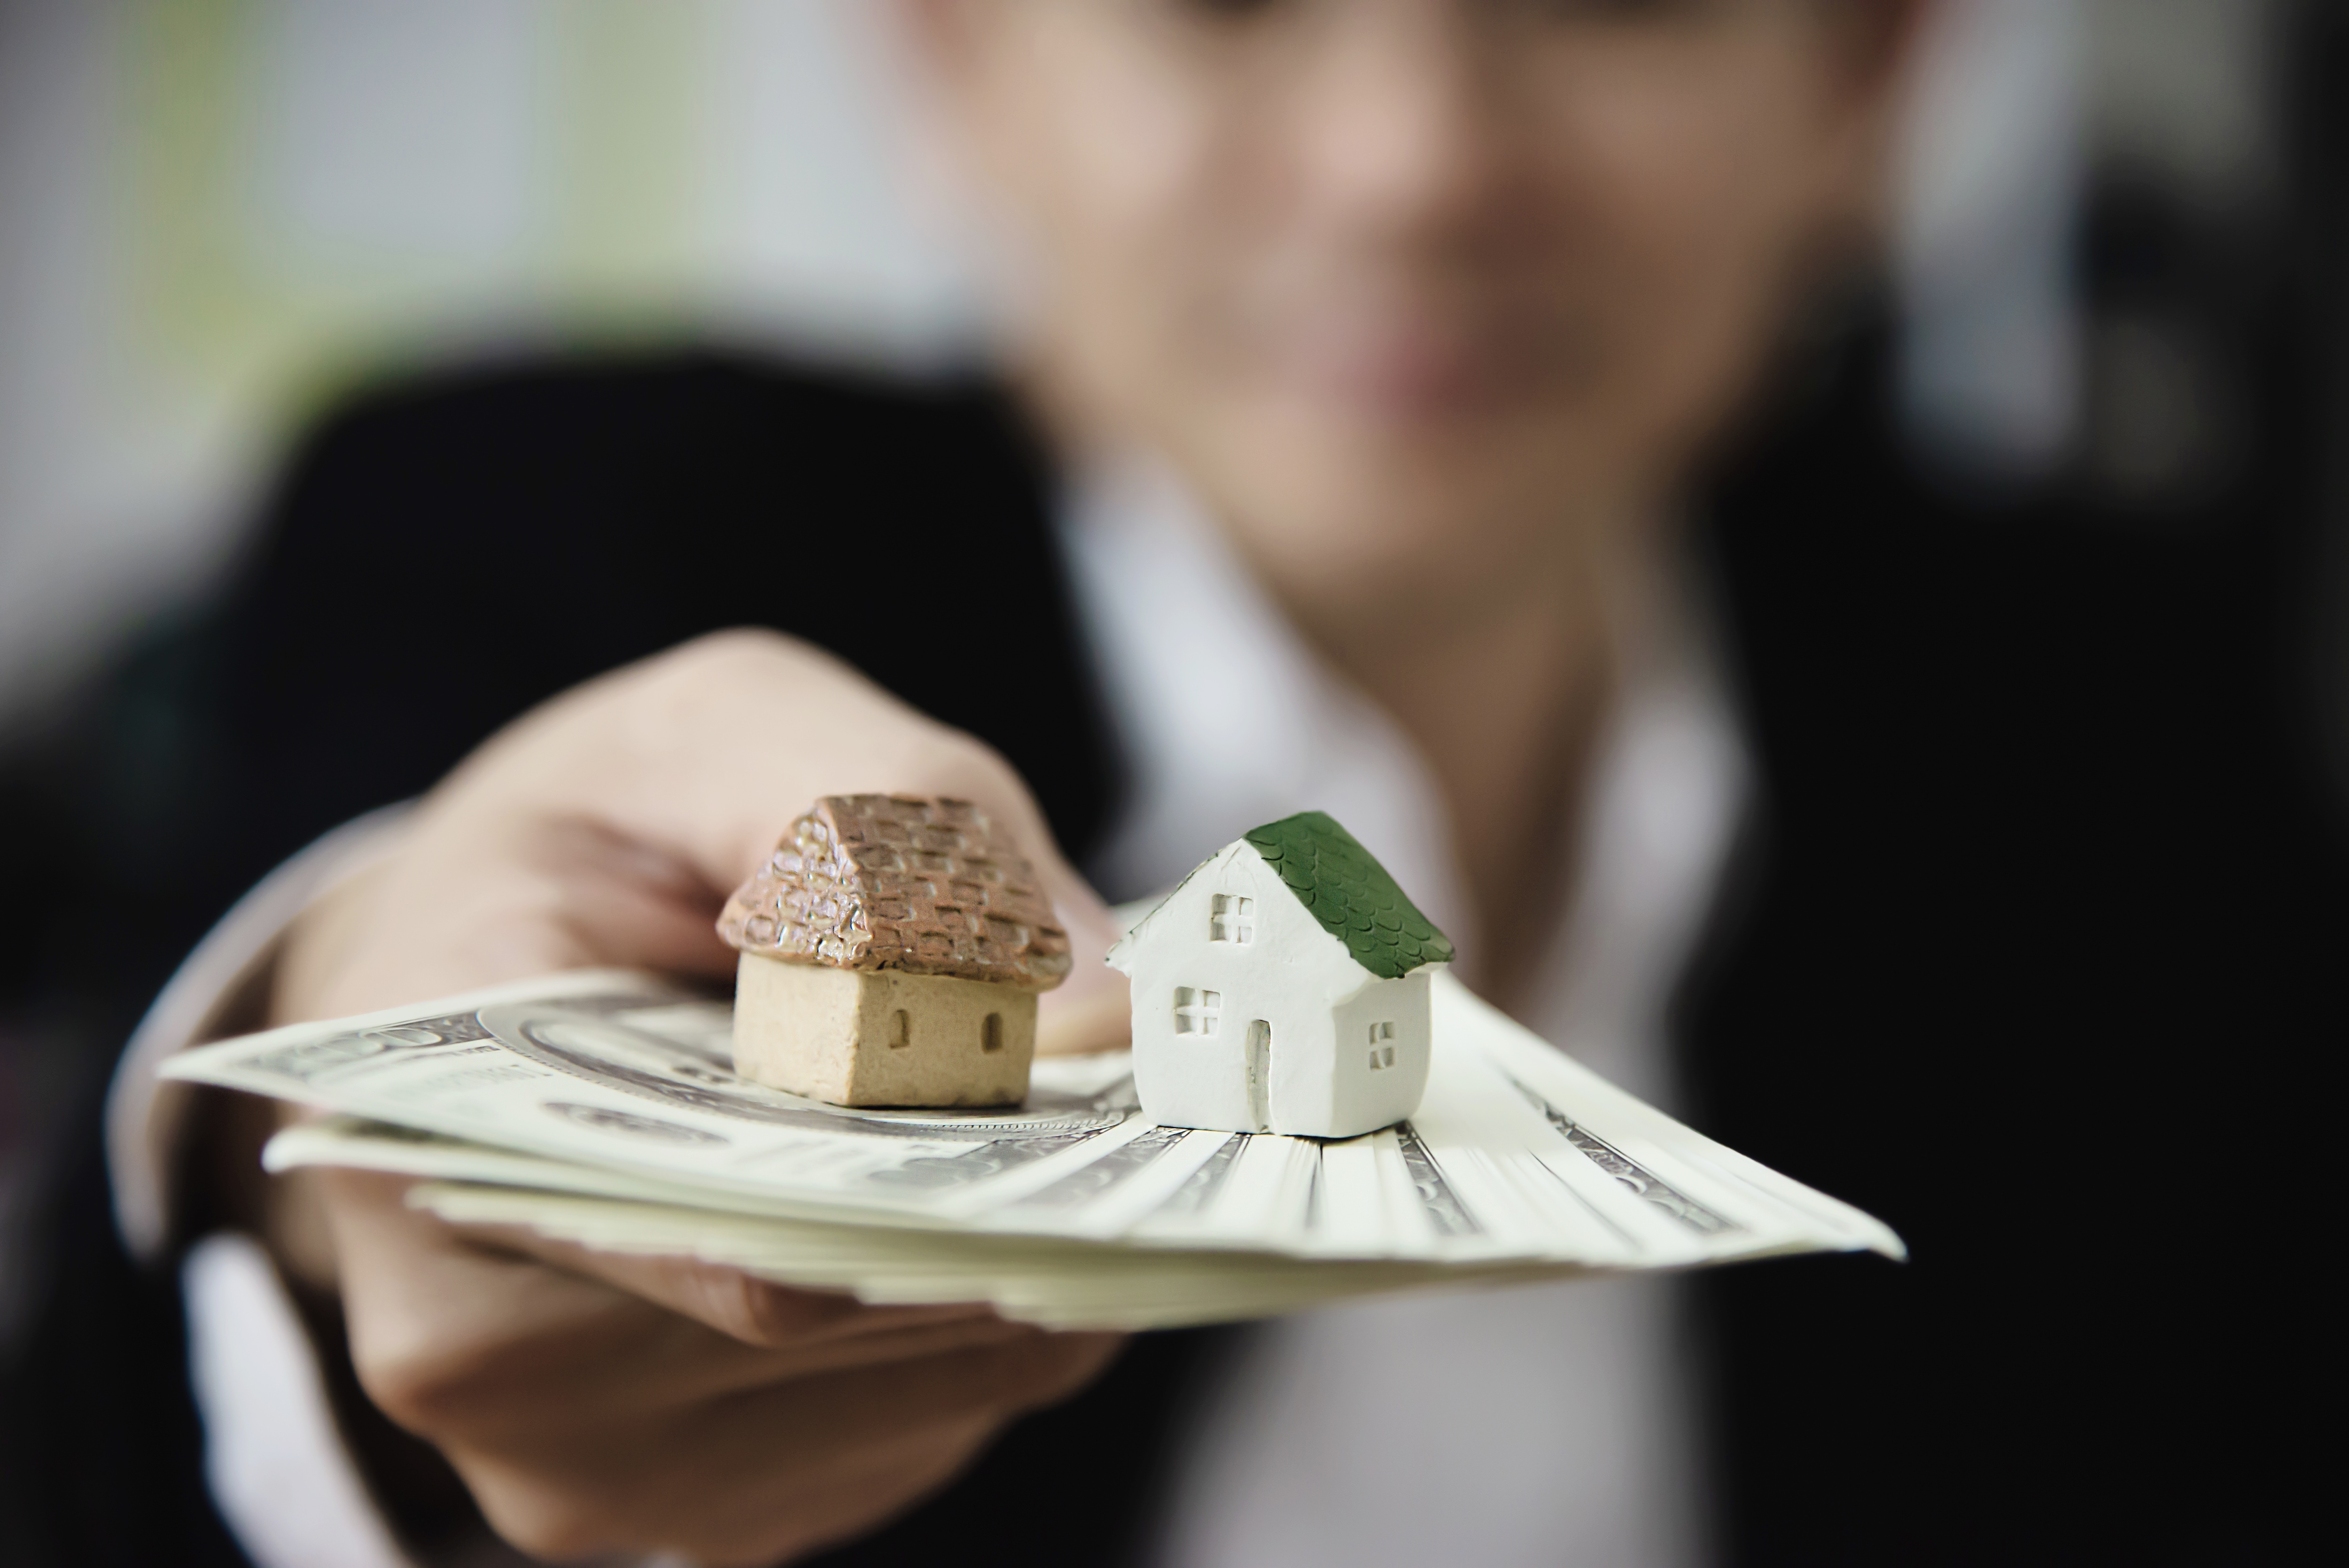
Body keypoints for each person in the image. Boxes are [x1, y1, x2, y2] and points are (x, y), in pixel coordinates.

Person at [2, 0, 2339, 1563]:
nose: (1414, 160)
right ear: (955, 60)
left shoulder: (2110, 715)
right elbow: (326, 959)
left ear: (1864, 87)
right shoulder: (546, 514)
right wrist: (363, 1161)